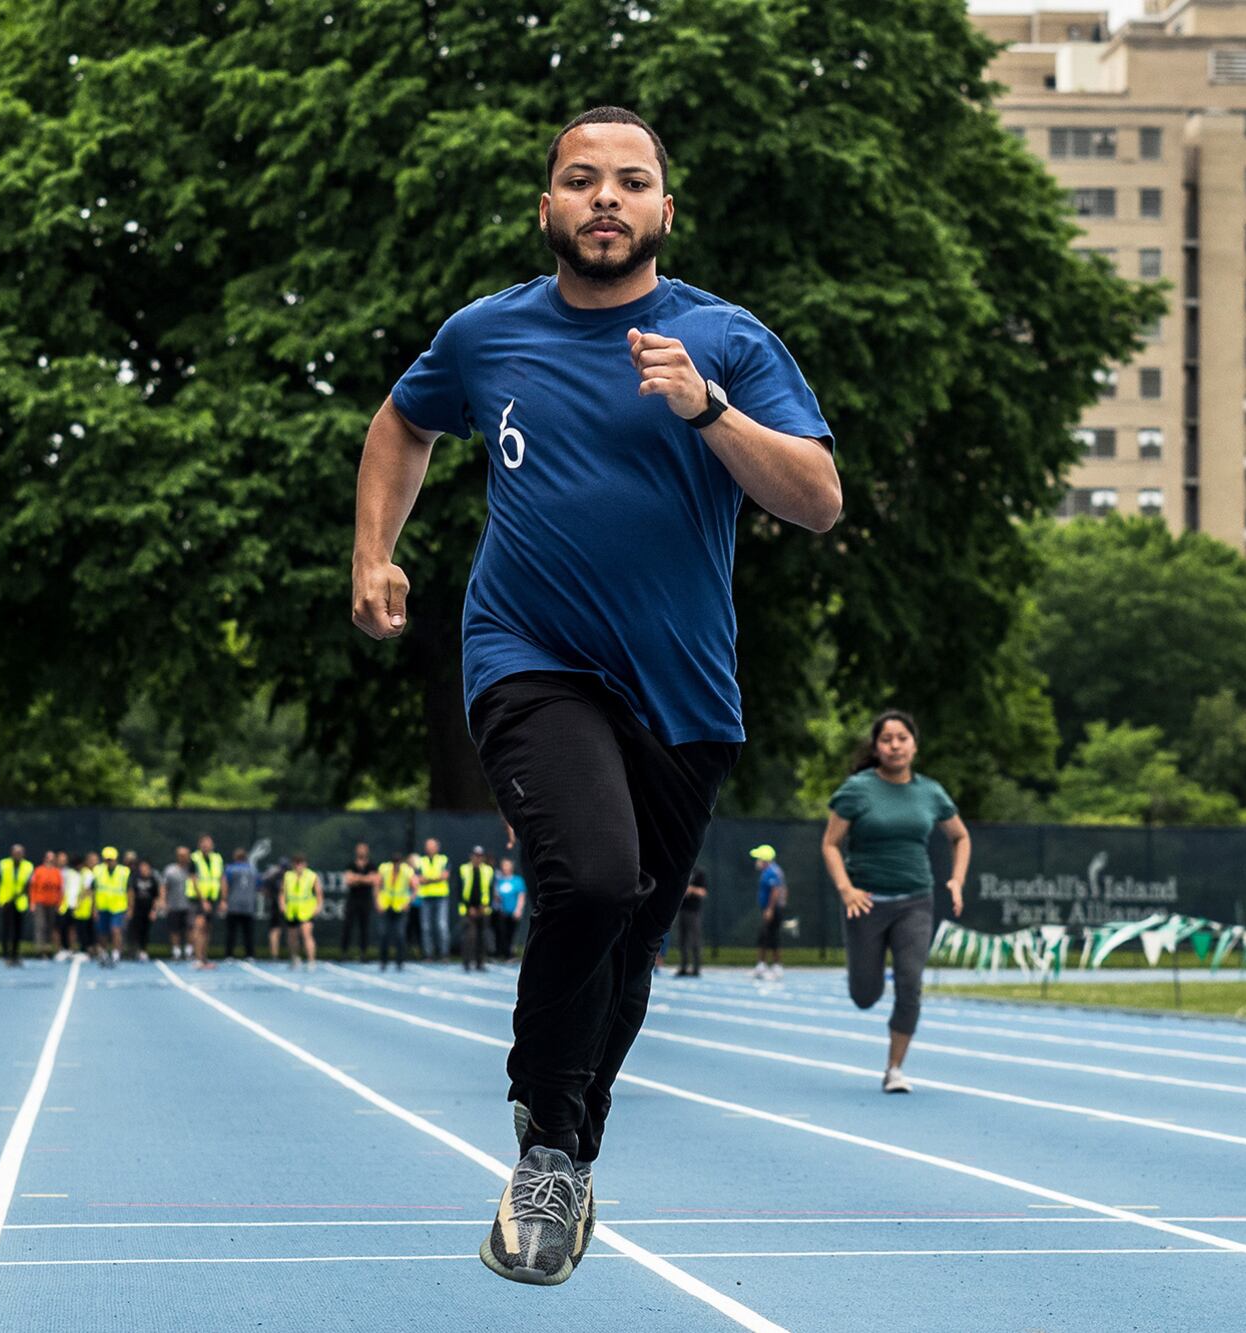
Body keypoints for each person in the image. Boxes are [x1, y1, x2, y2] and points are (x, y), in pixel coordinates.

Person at [353, 106, 836, 1286]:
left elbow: (818, 498)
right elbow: (402, 421)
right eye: (582, 181)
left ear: (666, 211)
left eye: (630, 182)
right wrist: (373, 553)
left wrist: (707, 412)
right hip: (527, 654)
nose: (605, 199)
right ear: (548, 208)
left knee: (628, 942)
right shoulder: (486, 334)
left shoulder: (723, 340)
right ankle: (547, 1140)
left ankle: (565, 1149)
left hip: (683, 692)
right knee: (593, 875)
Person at [822, 710, 972, 1094]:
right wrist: (847, 889)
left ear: (914, 745)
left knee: (910, 983)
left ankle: (894, 1069)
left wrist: (956, 880)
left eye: (902, 737)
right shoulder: (857, 789)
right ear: (877, 747)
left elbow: (960, 837)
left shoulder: (930, 792)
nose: (894, 745)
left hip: (915, 901)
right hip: (866, 903)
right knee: (865, 994)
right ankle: (866, 975)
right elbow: (831, 845)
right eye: (887, 739)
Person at [375, 850, 415, 971]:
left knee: (400, 935)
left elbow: (415, 887)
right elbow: (377, 884)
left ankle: (400, 962)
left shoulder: (407, 871)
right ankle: (383, 961)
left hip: (400, 907)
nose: (396, 865)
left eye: (398, 863)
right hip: (386, 906)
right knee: (384, 934)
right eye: (394, 863)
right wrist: (377, 901)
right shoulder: (384, 868)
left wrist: (408, 902)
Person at [751, 845, 787, 980]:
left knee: (772, 937)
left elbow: (776, 890)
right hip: (770, 908)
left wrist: (770, 909)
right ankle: (761, 965)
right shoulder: (770, 871)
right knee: (764, 936)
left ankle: (777, 967)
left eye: (759, 858)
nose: (757, 862)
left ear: (765, 859)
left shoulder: (772, 872)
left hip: (772, 909)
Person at [414, 836, 452, 961]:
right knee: (426, 927)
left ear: (437, 847)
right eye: (427, 846)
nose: (429, 848)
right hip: (425, 897)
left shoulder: (443, 859)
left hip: (441, 897)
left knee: (441, 925)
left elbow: (444, 876)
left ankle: (444, 954)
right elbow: (418, 878)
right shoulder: (421, 861)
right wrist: (435, 878)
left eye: (432, 846)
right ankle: (428, 954)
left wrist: (428, 879)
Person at [458, 845, 495, 972]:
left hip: (483, 909)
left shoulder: (488, 870)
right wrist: (469, 908)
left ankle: (480, 963)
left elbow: (490, 890)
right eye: (475, 856)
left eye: (480, 856)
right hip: (468, 909)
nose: (477, 858)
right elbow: (459, 890)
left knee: (482, 936)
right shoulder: (464, 869)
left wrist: (485, 905)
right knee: (469, 937)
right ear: (471, 856)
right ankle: (467, 963)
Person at [190, 835, 223, 968]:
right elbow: (193, 879)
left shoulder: (217, 858)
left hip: (212, 897)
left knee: (207, 929)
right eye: (203, 843)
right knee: (199, 926)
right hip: (198, 898)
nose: (206, 845)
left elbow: (220, 878)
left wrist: (223, 899)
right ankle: (197, 958)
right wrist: (203, 900)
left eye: (208, 843)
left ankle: (204, 958)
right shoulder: (195, 858)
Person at [283, 852, 321, 970]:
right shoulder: (288, 876)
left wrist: (318, 906)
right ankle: (295, 958)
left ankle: (311, 961)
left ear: (305, 864)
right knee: (292, 937)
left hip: (306, 910)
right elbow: (282, 892)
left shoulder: (312, 876)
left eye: (301, 863)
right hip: (292, 910)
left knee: (307, 935)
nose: (299, 866)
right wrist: (282, 904)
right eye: (297, 863)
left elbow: (319, 893)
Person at [92, 846, 129, 967]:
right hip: (103, 907)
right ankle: (103, 953)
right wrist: (94, 908)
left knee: (115, 930)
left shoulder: (124, 872)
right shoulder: (98, 871)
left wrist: (130, 907)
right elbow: (94, 890)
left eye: (111, 859)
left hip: (118, 907)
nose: (109, 862)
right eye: (107, 859)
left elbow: (130, 891)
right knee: (102, 932)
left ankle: (116, 953)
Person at [0, 845, 33, 966]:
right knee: (6, 928)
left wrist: (22, 895)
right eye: (16, 852)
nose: (18, 855)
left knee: (18, 929)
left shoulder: (28, 866)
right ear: (11, 853)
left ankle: (15, 953)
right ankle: (6, 953)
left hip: (20, 901)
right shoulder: (3, 864)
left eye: (20, 853)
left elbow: (29, 884)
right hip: (6, 900)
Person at [342, 842, 379, 961]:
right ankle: (344, 952)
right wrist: (365, 878)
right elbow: (348, 880)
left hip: (365, 900)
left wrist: (357, 878)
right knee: (348, 926)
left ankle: (363, 953)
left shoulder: (372, 866)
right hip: (352, 899)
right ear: (356, 851)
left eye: (364, 849)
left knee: (364, 927)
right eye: (360, 849)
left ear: (367, 851)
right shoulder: (351, 865)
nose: (361, 852)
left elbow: (373, 880)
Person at [222, 847, 258, 960]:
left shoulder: (230, 869)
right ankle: (250, 955)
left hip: (233, 904)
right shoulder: (253, 870)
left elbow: (224, 884)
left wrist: (224, 900)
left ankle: (229, 955)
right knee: (248, 933)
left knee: (231, 932)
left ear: (235, 857)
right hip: (248, 905)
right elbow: (258, 886)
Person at [672, 866, 707, 977]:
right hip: (681, 909)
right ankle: (683, 966)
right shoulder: (682, 869)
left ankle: (696, 967)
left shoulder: (699, 873)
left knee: (694, 939)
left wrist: (691, 889)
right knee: (682, 939)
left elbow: (703, 892)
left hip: (693, 911)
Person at [493, 856, 528, 962]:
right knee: (500, 932)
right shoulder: (499, 880)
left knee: (510, 933)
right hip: (501, 911)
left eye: (507, 866)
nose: (505, 868)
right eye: (504, 866)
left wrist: (518, 909)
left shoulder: (517, 880)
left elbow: (521, 896)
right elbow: (495, 895)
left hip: (513, 911)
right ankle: (500, 953)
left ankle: (509, 954)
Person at [161, 847, 193, 961]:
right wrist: (163, 901)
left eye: (185, 855)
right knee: (174, 929)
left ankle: (189, 951)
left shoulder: (192, 869)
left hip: (190, 905)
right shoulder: (170, 870)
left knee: (190, 928)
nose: (183, 857)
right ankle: (176, 952)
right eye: (181, 855)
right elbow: (164, 886)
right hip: (174, 904)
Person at [29, 852, 63, 957]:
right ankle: (40, 949)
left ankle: (48, 949)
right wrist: (32, 902)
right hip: (40, 902)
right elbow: (33, 887)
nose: (50, 860)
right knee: (41, 925)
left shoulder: (57, 872)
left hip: (52, 903)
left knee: (50, 926)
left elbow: (60, 889)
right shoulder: (38, 870)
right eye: (48, 857)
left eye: (52, 857)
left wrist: (59, 903)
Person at [130, 855, 161, 960]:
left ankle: (144, 951)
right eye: (142, 867)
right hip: (137, 909)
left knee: (145, 931)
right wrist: (130, 909)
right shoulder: (135, 878)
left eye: (146, 867)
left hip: (148, 909)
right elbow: (131, 894)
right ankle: (136, 950)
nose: (143, 869)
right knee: (135, 930)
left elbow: (157, 896)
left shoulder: (153, 880)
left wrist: (154, 911)